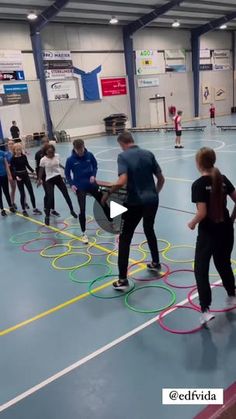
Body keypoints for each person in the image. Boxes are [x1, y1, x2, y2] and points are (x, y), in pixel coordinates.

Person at [102, 131, 165, 290]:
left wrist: (108, 193)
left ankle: (122, 280)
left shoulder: (123, 157)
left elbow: (122, 180)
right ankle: (156, 262)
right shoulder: (148, 154)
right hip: (152, 200)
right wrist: (154, 193)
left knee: (125, 238)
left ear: (122, 143)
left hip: (135, 203)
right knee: (149, 229)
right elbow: (161, 179)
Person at [188, 147, 236, 325]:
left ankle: (206, 309)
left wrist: (192, 223)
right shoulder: (222, 179)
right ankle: (232, 295)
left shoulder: (199, 184)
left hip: (208, 232)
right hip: (226, 230)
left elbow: (202, 213)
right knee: (223, 263)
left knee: (201, 268)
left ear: (198, 163)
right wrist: (231, 219)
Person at [65, 139, 112, 244]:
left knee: (103, 201)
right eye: (78, 150)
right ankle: (83, 233)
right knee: (82, 209)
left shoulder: (89, 155)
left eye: (81, 149)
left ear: (83, 146)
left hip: (91, 184)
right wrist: (72, 184)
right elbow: (67, 174)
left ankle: (111, 222)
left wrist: (93, 175)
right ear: (74, 149)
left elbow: (95, 166)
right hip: (80, 187)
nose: (80, 152)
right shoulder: (70, 160)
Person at [38, 144, 77, 226]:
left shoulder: (57, 156)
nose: (51, 154)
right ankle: (47, 216)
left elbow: (58, 164)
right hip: (49, 180)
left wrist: (65, 168)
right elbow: (41, 170)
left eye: (52, 152)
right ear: (46, 152)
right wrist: (39, 179)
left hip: (58, 178)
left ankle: (72, 210)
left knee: (66, 194)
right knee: (50, 197)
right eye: (49, 153)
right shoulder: (43, 160)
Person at [10, 143, 42, 217]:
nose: (19, 151)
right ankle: (24, 210)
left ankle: (34, 208)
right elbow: (12, 169)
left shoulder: (24, 156)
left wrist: (33, 171)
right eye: (17, 150)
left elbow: (27, 165)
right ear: (14, 150)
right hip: (19, 177)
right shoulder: (13, 159)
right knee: (22, 194)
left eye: (20, 149)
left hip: (25, 175)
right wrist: (16, 176)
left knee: (31, 192)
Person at [35, 137, 60, 217]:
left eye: (47, 142)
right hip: (44, 177)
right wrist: (39, 178)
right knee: (48, 193)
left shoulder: (51, 151)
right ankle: (46, 208)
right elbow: (37, 167)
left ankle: (53, 209)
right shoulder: (38, 154)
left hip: (52, 176)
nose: (46, 144)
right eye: (44, 143)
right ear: (42, 144)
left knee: (52, 193)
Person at [0, 149, 16, 216]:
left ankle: (10, 206)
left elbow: (6, 165)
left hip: (4, 175)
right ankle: (2, 209)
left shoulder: (2, 153)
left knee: (6, 191)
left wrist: (9, 175)